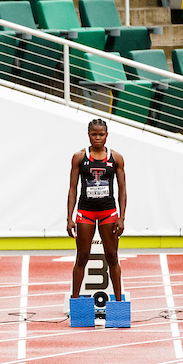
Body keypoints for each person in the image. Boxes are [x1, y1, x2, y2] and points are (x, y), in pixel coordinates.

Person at [66, 119, 127, 301]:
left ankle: (118, 302)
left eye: (101, 134)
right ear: (88, 135)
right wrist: (69, 218)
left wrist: (122, 217)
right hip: (86, 212)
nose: (98, 138)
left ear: (107, 135)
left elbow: (122, 189)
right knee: (82, 256)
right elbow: (72, 188)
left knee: (112, 256)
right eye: (94, 134)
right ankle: (75, 301)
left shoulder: (116, 158)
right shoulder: (79, 157)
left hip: (108, 212)